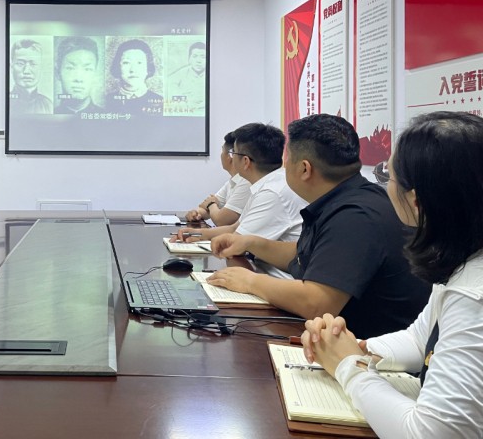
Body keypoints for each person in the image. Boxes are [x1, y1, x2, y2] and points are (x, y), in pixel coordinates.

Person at [301, 112, 483, 438]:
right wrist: (350, 347)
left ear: (417, 202)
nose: (385, 185)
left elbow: (429, 434)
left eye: (388, 175)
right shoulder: (464, 256)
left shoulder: (473, 295)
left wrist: (349, 367)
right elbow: (420, 339)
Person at [209, 114, 430, 338]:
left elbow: (316, 303)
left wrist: (250, 281)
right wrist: (250, 243)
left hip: (368, 348)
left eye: (287, 160)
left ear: (304, 169)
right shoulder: (346, 197)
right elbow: (305, 253)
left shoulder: (355, 216)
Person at [174, 122, 305, 278]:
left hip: (277, 279)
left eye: (234, 153)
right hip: (262, 270)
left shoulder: (272, 192)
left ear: (245, 162)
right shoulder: (266, 184)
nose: (231, 158)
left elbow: (234, 242)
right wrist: (198, 233)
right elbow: (235, 228)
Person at [185, 131, 250, 226]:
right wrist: (196, 213)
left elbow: (221, 220)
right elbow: (206, 208)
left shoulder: (246, 182)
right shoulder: (232, 182)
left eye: (222, 151)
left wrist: (211, 204)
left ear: (230, 156)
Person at [106, 38, 163, 115]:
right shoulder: (106, 101)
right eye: (126, 62)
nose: (133, 70)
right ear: (118, 67)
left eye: (139, 63)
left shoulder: (160, 102)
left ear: (148, 68)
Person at [54, 36, 104, 115]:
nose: (79, 79)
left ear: (95, 74)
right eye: (70, 68)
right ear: (57, 73)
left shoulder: (105, 116)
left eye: (87, 69)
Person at [9, 39, 52, 115]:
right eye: (20, 64)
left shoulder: (48, 105)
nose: (26, 71)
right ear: (11, 67)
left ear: (41, 67)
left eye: (33, 64)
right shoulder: (4, 101)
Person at [166, 41, 206, 113]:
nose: (198, 61)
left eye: (203, 57)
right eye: (195, 56)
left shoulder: (213, 75)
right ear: (189, 59)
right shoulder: (182, 73)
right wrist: (183, 101)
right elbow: (169, 85)